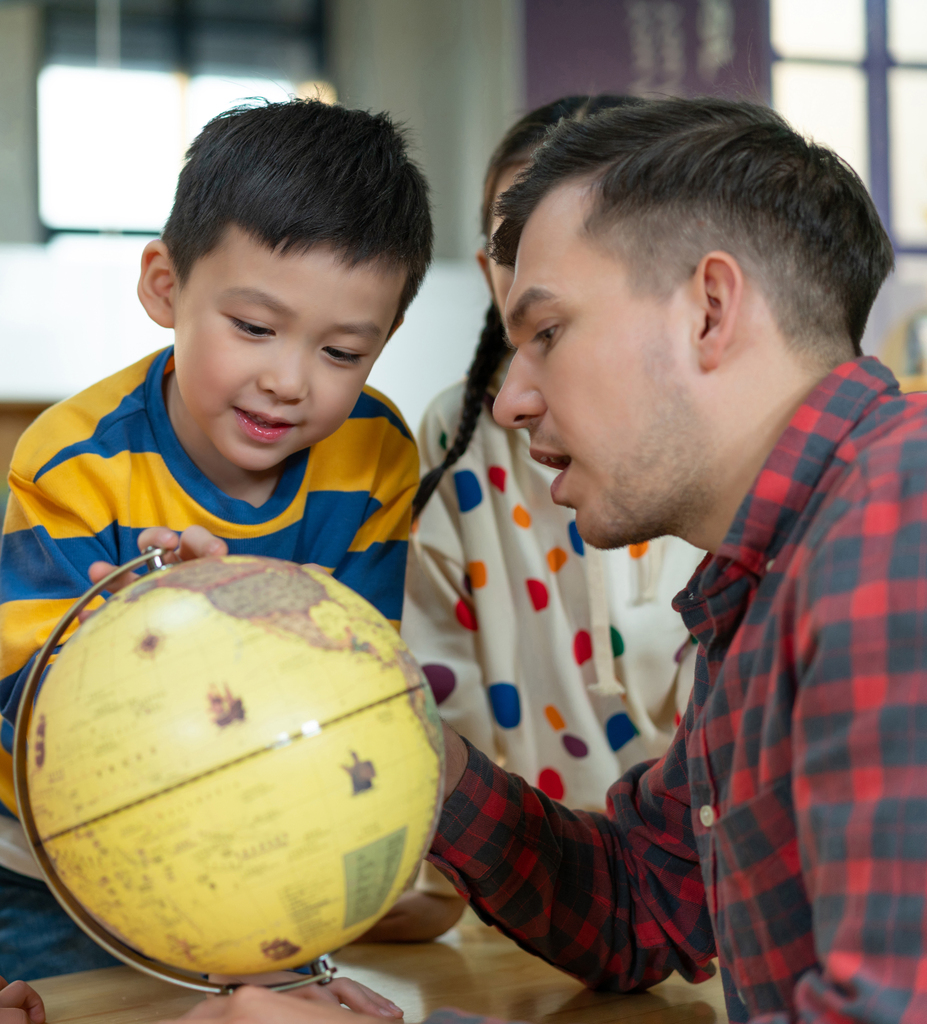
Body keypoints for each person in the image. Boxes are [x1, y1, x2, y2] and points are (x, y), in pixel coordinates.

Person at [157, 95, 926, 1024]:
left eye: (548, 333)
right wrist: (391, 734)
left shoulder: (895, 519)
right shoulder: (763, 584)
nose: (512, 400)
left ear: (710, 311)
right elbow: (641, 904)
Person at [0, 97, 430, 998]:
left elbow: (363, 674)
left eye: (343, 352)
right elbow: (22, 700)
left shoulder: (377, 454)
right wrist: (161, 629)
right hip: (62, 868)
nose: (288, 380)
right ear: (165, 285)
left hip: (266, 847)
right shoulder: (76, 461)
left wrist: (254, 603)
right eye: (254, 328)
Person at [394, 94, 703, 940]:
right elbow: (432, 688)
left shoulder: (718, 439)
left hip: (699, 897)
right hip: (546, 907)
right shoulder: (457, 441)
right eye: (507, 240)